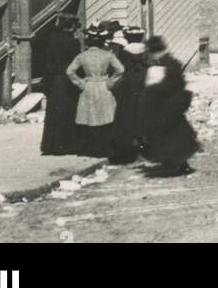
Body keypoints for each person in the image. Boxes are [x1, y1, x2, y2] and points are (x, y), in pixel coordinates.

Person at [137, 36, 200, 176]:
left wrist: (154, 88)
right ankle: (176, 163)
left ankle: (176, 164)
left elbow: (170, 85)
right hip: (170, 106)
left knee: (169, 137)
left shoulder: (165, 65)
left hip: (166, 106)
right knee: (174, 135)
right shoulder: (169, 62)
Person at [66, 26, 127, 157]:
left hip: (88, 86)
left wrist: (80, 83)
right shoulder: (108, 55)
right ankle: (105, 148)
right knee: (105, 117)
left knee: (90, 116)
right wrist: (111, 82)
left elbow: (69, 71)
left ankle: (89, 149)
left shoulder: (82, 56)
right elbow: (121, 69)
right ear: (101, 41)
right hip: (104, 86)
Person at [40, 15, 82, 156]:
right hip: (67, 80)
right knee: (68, 112)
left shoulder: (50, 40)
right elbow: (76, 65)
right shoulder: (73, 43)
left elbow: (46, 62)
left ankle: (50, 145)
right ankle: (67, 145)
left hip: (53, 80)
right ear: (72, 26)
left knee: (53, 113)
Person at [110, 27, 148, 165]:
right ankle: (144, 149)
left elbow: (119, 69)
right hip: (145, 84)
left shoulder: (124, 53)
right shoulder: (147, 52)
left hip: (129, 87)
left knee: (128, 115)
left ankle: (130, 149)